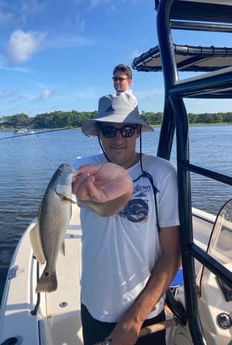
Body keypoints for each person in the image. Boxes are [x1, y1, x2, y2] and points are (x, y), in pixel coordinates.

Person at [72, 92, 181, 345]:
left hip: (146, 313)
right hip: (94, 306)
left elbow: (171, 255)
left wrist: (135, 317)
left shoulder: (162, 174)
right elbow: (102, 208)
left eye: (128, 130)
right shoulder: (83, 169)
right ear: (97, 133)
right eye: (109, 131)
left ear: (139, 132)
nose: (119, 139)